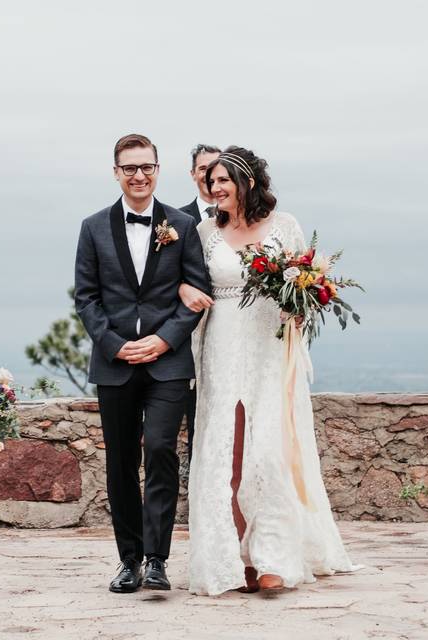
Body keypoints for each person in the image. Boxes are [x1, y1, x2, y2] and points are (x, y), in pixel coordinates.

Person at [181, 146, 355, 596]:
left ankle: (273, 557)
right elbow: (187, 279)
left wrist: (301, 305)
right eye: (210, 181)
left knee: (268, 451)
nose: (214, 188)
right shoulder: (203, 233)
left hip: (269, 346)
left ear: (248, 183)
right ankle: (234, 558)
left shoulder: (286, 227)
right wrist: (183, 286)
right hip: (221, 346)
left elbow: (308, 283)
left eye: (222, 181)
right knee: (228, 456)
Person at [74, 133, 211, 593]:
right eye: (129, 167)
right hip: (115, 364)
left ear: (158, 170)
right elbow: (87, 297)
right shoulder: (93, 227)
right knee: (120, 461)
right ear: (116, 172)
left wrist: (161, 340)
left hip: (167, 364)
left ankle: (158, 559)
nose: (139, 175)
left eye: (146, 167)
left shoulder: (181, 226)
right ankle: (128, 561)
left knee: (159, 451)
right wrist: (115, 345)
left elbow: (195, 293)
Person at [177, 144, 221, 465]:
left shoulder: (243, 220)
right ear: (193, 174)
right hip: (191, 337)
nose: (210, 175)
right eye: (203, 168)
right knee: (198, 421)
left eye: (216, 168)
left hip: (234, 329)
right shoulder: (177, 221)